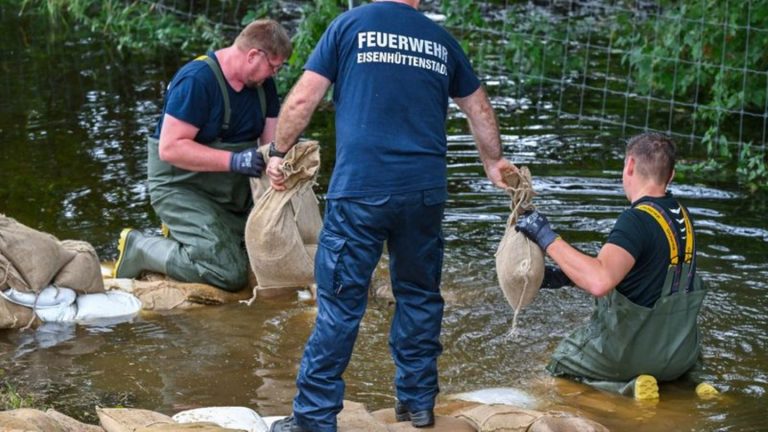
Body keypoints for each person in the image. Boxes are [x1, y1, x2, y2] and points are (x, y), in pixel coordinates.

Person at [267, 1, 514, 430]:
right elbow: (479, 109)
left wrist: (278, 152)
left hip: (361, 190)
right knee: (419, 296)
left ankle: (312, 418)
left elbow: (305, 97)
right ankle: (417, 405)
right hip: (423, 194)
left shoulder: (349, 26)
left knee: (340, 306)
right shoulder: (440, 39)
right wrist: (494, 163)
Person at [515, 132, 716, 400]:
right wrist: (564, 276)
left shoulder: (636, 220)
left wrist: (544, 235)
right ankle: (696, 384)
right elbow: (643, 274)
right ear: (672, 174)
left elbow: (600, 281)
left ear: (630, 165)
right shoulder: (682, 215)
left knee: (561, 363)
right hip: (680, 354)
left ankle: (629, 387)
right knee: (679, 361)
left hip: (632, 355)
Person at [112, 19, 292, 291]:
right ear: (253, 55)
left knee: (264, 257)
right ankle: (141, 248)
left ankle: (185, 235)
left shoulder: (262, 86)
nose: (274, 75)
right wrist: (235, 160)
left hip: (232, 192)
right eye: (273, 67)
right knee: (228, 274)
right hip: (181, 187)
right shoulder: (197, 80)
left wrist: (279, 162)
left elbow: (272, 143)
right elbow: (170, 148)